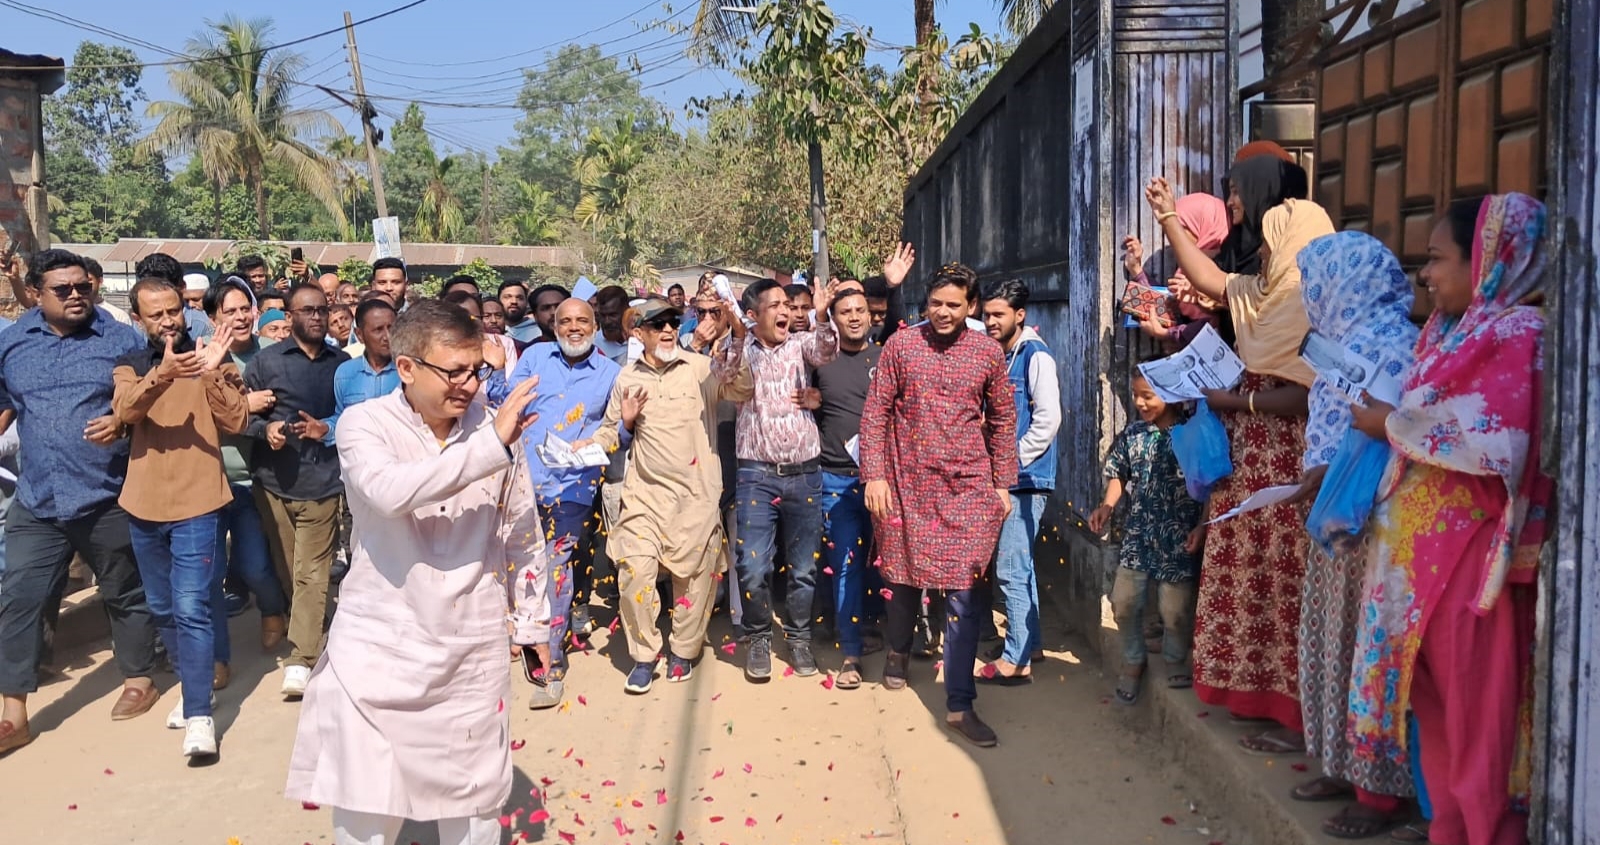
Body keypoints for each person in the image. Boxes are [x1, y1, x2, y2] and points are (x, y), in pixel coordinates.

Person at [285, 300, 548, 845]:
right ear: (406, 368)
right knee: (365, 799)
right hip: (381, 643)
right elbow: (388, 493)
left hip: (469, 644)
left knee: (472, 804)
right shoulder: (365, 424)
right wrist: (490, 445)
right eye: (452, 372)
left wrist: (533, 624)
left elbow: (521, 529)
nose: (468, 386)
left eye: (475, 370)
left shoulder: (496, 430)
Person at [1346, 194, 1549, 845]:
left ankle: (1488, 833)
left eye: (1437, 259)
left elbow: (1499, 440)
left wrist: (1392, 422)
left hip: (1470, 563)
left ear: (1486, 260)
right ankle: (1450, 832)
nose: (1425, 274)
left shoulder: (1521, 335)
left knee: (1478, 721)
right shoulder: (1449, 332)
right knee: (1434, 714)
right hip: (1415, 564)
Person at [1145, 163, 1332, 755]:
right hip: (1248, 454)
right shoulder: (1263, 292)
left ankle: (1294, 706)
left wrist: (1236, 399)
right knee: (1245, 574)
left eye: (1277, 242)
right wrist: (1169, 217)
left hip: (1287, 457)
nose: (1267, 248)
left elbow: (1308, 393)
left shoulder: (1313, 303)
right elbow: (1207, 274)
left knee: (1284, 577)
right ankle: (1253, 692)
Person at [1277, 231, 1421, 838]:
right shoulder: (1365, 343)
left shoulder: (1389, 345)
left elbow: (1386, 430)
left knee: (1362, 653)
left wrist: (1322, 474)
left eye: (1314, 287)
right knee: (1341, 646)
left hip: (1372, 526)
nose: (1311, 300)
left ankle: (1377, 791)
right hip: (1348, 516)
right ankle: (1343, 765)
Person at [0, 249, 161, 756]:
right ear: (37, 293)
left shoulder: (120, 339)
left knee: (123, 590)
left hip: (105, 494)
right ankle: (12, 713)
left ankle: (138, 677)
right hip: (38, 499)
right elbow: (6, 405)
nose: (76, 295)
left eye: (82, 287)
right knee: (19, 598)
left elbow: (150, 400)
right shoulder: (12, 344)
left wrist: (122, 420)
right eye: (62, 289)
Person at [859, 262, 1016, 748]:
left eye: (954, 305)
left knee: (965, 593)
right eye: (936, 303)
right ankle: (899, 652)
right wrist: (876, 475)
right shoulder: (903, 345)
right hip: (908, 483)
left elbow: (1003, 420)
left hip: (968, 487)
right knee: (904, 577)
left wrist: (1003, 484)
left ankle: (959, 703)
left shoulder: (988, 353)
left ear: (971, 307)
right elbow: (876, 411)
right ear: (925, 303)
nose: (943, 313)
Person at [576, 299, 751, 693]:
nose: (668, 330)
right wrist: (593, 440)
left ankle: (683, 651)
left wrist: (737, 339)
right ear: (638, 334)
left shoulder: (701, 369)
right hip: (644, 499)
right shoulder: (626, 379)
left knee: (694, 582)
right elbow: (609, 433)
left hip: (697, 498)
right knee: (634, 575)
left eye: (672, 322)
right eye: (657, 325)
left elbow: (742, 387)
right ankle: (643, 654)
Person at [113, 278, 249, 757]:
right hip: (143, 505)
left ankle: (198, 715)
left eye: (174, 310)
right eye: (157, 315)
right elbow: (126, 411)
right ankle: (196, 684)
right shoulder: (130, 364)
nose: (169, 320)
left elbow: (237, 422)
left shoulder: (213, 356)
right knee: (162, 606)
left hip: (198, 503)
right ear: (139, 319)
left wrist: (211, 373)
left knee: (191, 607)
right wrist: (164, 374)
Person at [491, 298, 620, 708]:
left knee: (555, 569)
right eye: (566, 321)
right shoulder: (534, 359)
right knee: (516, 565)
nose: (574, 327)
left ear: (596, 326)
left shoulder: (612, 374)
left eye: (583, 320)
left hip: (574, 489)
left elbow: (621, 433)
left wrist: (602, 439)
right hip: (524, 481)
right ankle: (516, 641)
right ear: (554, 324)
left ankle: (552, 662)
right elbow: (504, 404)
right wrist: (493, 370)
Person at [810, 244, 914, 689]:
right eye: (844, 311)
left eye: (860, 310)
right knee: (847, 566)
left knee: (894, 568)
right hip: (836, 482)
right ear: (834, 318)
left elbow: (905, 330)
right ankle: (850, 655)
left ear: (872, 316)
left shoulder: (887, 356)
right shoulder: (819, 362)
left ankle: (898, 649)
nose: (853, 317)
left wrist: (894, 287)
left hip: (886, 482)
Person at [243, 283, 349, 699]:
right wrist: (264, 428)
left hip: (322, 482)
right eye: (307, 310)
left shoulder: (342, 366)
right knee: (289, 569)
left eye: (323, 310)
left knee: (310, 572)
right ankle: (315, 621)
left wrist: (329, 428)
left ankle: (302, 657)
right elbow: (238, 416)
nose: (317, 317)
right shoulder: (264, 364)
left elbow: (352, 417)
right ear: (289, 316)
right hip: (273, 484)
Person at [731, 278, 838, 680]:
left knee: (803, 568)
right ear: (753, 314)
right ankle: (759, 636)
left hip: (805, 475)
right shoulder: (742, 349)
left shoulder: (801, 344)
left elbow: (826, 351)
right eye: (773, 305)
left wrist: (822, 315)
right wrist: (736, 337)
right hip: (756, 476)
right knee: (753, 566)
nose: (784, 311)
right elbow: (723, 371)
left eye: (786, 304)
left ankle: (798, 638)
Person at [1088, 369, 1203, 704]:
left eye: (1147, 396)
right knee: (1122, 603)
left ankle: (1174, 658)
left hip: (1180, 536)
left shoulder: (1193, 434)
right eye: (1136, 395)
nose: (1139, 402)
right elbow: (1118, 472)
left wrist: (1203, 525)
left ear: (1171, 394)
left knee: (1175, 611)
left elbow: (1212, 485)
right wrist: (1107, 507)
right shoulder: (1134, 433)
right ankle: (1134, 659)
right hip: (1139, 535)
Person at [978, 279, 1061, 682]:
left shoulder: (1036, 357)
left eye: (998, 315)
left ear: (1020, 315)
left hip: (1025, 480)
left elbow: (1048, 421)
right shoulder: (1003, 355)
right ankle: (1032, 643)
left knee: (1010, 568)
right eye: (987, 314)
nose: (990, 321)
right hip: (1008, 477)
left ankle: (1016, 661)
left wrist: (1008, 463)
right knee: (1021, 566)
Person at [202, 277, 290, 654]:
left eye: (245, 309)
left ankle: (274, 610)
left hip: (258, 476)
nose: (240, 318)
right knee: (210, 572)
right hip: (211, 477)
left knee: (255, 563)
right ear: (211, 317)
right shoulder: (202, 357)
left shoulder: (275, 350)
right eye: (229, 311)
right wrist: (244, 405)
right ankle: (215, 655)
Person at [331, 299, 400, 434]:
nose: (387, 336)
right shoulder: (345, 373)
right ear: (359, 335)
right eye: (378, 330)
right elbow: (341, 420)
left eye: (392, 328)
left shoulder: (411, 371)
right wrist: (324, 429)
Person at [134, 253, 212, 338]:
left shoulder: (202, 325)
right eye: (155, 316)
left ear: (182, 287)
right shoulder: (136, 328)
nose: (167, 323)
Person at [592, 285, 630, 362]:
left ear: (627, 312)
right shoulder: (592, 346)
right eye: (602, 315)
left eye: (613, 315)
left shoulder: (642, 341)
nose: (607, 321)